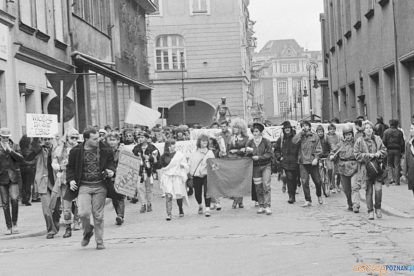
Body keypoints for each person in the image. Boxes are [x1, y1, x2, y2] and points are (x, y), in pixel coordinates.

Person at [67, 127, 116, 250]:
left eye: (98, 137)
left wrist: (111, 171)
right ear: (86, 139)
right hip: (84, 186)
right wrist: (71, 180)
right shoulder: (76, 151)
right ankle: (88, 231)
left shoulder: (105, 149)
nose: (98, 140)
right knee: (83, 213)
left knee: (98, 215)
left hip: (100, 186)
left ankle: (99, 241)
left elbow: (112, 163)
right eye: (95, 139)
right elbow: (70, 168)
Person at [51, 129, 81, 238]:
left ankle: (78, 220)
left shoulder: (80, 149)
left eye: (76, 138)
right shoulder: (59, 149)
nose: (74, 140)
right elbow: (54, 162)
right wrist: (59, 167)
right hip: (65, 180)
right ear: (67, 138)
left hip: (79, 180)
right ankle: (68, 228)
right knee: (66, 207)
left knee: (79, 204)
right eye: (72, 138)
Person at [354, 121, 387, 220]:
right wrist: (367, 155)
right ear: (363, 130)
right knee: (369, 191)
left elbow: (384, 150)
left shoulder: (377, 139)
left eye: (370, 128)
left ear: (373, 130)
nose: (369, 129)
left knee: (378, 190)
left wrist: (378, 153)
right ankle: (370, 211)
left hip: (377, 169)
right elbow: (356, 154)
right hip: (366, 170)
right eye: (367, 128)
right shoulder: (359, 141)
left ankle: (378, 208)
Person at [32, 136, 60, 239]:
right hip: (43, 182)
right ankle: (51, 230)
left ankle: (56, 224)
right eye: (45, 139)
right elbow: (30, 153)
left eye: (49, 138)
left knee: (57, 208)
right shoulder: (39, 150)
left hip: (56, 182)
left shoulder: (58, 149)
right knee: (46, 209)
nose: (47, 141)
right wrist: (35, 139)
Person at [293, 121, 323, 207]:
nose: (304, 127)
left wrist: (316, 158)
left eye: (306, 125)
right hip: (303, 162)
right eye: (303, 126)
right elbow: (294, 142)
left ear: (309, 127)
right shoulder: (300, 136)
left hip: (313, 162)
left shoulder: (315, 136)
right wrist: (300, 133)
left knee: (317, 181)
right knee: (304, 181)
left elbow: (319, 148)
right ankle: (308, 200)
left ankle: (319, 194)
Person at [330, 124, 358, 212]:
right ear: (344, 135)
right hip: (343, 167)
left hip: (354, 167)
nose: (348, 136)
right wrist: (332, 156)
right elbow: (333, 152)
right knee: (346, 189)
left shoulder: (357, 143)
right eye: (346, 135)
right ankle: (349, 203)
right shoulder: (340, 144)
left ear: (352, 135)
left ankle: (356, 205)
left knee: (354, 187)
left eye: (349, 134)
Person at [158, 139, 189, 220]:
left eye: (174, 144)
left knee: (179, 194)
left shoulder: (179, 155)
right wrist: (154, 158)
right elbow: (160, 166)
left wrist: (183, 166)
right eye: (171, 144)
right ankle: (169, 213)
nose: (173, 146)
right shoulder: (163, 156)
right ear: (167, 146)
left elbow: (185, 164)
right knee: (168, 194)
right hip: (167, 177)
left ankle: (180, 209)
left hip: (177, 176)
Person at [0, 128, 24, 235]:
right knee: (5, 203)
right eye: (3, 137)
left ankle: (15, 224)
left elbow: (21, 159)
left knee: (14, 200)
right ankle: (8, 227)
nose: (5, 139)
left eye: (7, 137)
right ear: (0, 136)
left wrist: (10, 151)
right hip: (1, 178)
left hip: (13, 177)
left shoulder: (15, 145)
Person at [246, 123, 273, 215]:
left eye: (257, 131)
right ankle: (261, 205)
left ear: (261, 132)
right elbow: (247, 154)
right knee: (258, 187)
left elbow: (269, 154)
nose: (255, 133)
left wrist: (259, 157)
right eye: (253, 131)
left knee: (266, 185)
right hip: (255, 167)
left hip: (266, 166)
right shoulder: (250, 142)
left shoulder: (266, 141)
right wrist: (248, 153)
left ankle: (268, 206)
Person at [132, 132, 160, 213]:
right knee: (139, 187)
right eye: (139, 137)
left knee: (149, 188)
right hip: (139, 170)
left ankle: (149, 204)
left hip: (149, 170)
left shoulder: (152, 147)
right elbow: (132, 158)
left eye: (142, 137)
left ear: (147, 138)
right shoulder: (136, 148)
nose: (140, 139)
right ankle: (143, 204)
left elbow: (157, 158)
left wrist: (150, 157)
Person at [188, 135, 215, 217]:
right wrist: (189, 172)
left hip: (206, 175)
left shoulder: (210, 152)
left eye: (206, 141)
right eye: (203, 141)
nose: (204, 142)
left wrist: (213, 166)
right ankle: (200, 205)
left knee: (207, 192)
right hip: (196, 176)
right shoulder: (194, 152)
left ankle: (207, 209)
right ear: (199, 142)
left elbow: (214, 163)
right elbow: (190, 163)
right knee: (197, 194)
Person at [275, 121, 299, 204]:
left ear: (291, 129)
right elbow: (276, 150)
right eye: (285, 128)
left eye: (288, 128)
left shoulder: (296, 138)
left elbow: (300, 148)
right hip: (285, 162)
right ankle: (291, 196)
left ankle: (293, 194)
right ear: (283, 130)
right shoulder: (281, 139)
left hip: (295, 162)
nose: (287, 129)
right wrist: (279, 157)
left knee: (295, 179)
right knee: (289, 178)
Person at [104, 132, 126, 226]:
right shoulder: (105, 150)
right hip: (109, 176)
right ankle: (118, 214)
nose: (112, 142)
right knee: (114, 196)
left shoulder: (123, 150)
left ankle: (120, 215)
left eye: (114, 140)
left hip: (120, 175)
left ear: (118, 141)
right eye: (110, 140)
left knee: (120, 195)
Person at [228, 118, 249, 209]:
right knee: (234, 182)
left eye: (237, 127)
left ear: (241, 128)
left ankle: (237, 201)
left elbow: (247, 150)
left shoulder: (246, 138)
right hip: (232, 161)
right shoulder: (231, 138)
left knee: (240, 181)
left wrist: (237, 151)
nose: (235, 129)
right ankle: (239, 201)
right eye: (234, 127)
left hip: (242, 161)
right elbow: (228, 149)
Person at [383, 119, 405, 186]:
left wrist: (386, 148)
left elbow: (384, 141)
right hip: (397, 150)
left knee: (389, 165)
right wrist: (402, 151)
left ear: (390, 124)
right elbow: (402, 143)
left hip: (389, 150)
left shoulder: (386, 132)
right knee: (397, 165)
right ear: (397, 124)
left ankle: (391, 179)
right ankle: (397, 181)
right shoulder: (399, 132)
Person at [19, 135, 36, 206]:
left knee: (22, 184)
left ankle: (23, 198)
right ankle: (27, 199)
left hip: (21, 168)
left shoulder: (20, 149)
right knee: (28, 184)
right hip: (29, 168)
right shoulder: (31, 150)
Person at [326, 124, 341, 193]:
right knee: (332, 171)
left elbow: (340, 143)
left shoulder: (337, 136)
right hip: (330, 155)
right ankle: (332, 185)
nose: (332, 130)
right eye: (331, 129)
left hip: (337, 154)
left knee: (339, 172)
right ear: (328, 130)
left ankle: (338, 185)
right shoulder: (327, 137)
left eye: (333, 129)